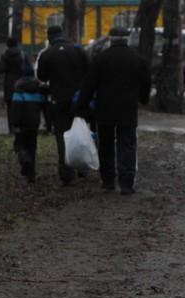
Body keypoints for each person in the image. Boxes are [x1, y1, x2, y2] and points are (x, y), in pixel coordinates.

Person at [76, 26, 151, 195]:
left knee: (106, 145)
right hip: (128, 109)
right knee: (127, 145)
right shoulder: (138, 59)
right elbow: (146, 82)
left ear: (110, 39)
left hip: (105, 109)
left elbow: (89, 85)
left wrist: (81, 107)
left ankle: (108, 181)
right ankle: (126, 183)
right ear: (127, 39)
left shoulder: (101, 58)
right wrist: (143, 99)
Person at [37, 24, 89, 186]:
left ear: (49, 37)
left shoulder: (47, 54)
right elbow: (89, 69)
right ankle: (82, 166)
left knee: (62, 135)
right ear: (63, 34)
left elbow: (42, 76)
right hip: (78, 99)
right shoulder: (78, 50)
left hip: (58, 99)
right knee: (81, 132)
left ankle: (66, 171)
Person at [11, 67, 45, 183]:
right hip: (34, 124)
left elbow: (16, 108)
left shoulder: (19, 89)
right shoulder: (39, 89)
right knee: (32, 146)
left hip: (22, 124)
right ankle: (31, 174)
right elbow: (44, 105)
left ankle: (25, 159)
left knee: (19, 145)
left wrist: (15, 124)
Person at [2, 36, 30, 134]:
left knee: (10, 107)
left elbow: (1, 68)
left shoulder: (4, 55)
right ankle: (21, 127)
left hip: (9, 83)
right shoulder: (22, 55)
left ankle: (11, 128)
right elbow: (28, 69)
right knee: (22, 105)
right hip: (21, 82)